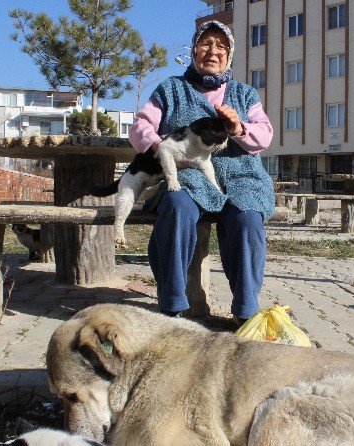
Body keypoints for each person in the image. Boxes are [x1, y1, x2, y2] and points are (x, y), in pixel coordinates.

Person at [129, 20, 274, 325]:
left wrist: (238, 127)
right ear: (194, 50)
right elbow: (140, 127)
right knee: (176, 205)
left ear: (229, 56)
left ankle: (246, 310)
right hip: (189, 175)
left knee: (247, 219)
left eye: (221, 46)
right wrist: (159, 148)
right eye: (206, 43)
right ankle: (171, 305)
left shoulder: (245, 95)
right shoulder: (171, 89)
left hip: (241, 178)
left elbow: (264, 137)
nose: (213, 51)